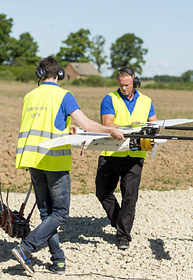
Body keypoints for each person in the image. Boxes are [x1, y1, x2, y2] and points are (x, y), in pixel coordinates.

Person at [12, 56, 124, 275]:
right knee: (61, 213)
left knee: (47, 215)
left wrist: (67, 129)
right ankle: (26, 248)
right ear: (60, 74)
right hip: (54, 161)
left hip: (33, 160)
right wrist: (110, 130)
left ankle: (58, 261)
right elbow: (88, 124)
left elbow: (44, 124)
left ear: (39, 74)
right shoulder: (64, 95)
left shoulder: (29, 96)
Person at [95, 66, 158, 250]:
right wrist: (131, 126)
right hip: (111, 153)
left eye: (128, 85)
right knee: (102, 192)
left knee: (130, 196)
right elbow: (107, 123)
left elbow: (154, 124)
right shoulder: (110, 98)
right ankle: (119, 221)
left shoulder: (146, 101)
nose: (124, 88)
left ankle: (123, 235)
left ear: (134, 81)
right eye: (121, 85)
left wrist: (147, 126)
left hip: (135, 155)